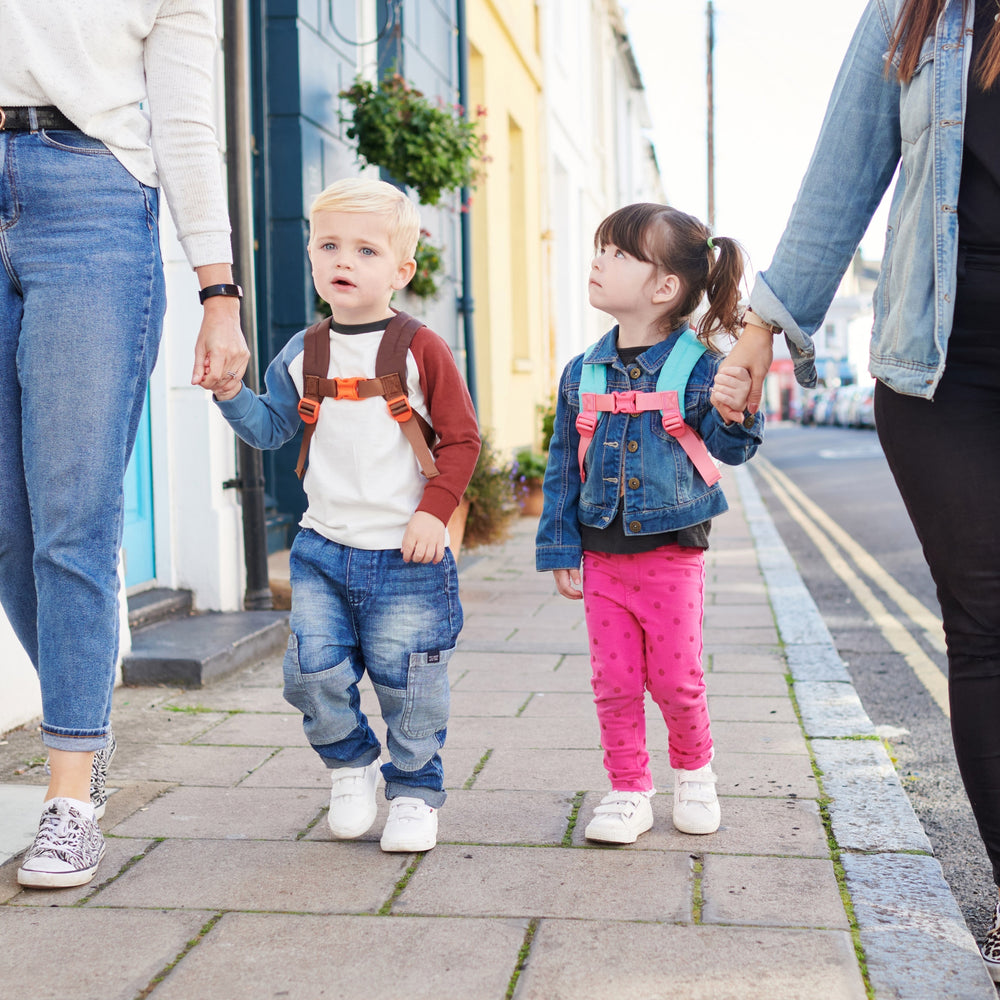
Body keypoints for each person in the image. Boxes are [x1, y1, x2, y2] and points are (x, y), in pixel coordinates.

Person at [714, 0, 1000, 977]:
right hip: (939, 375)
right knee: (987, 626)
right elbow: (840, 181)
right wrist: (756, 338)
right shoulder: (917, 14)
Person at [1, 1, 250, 889]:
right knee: (6, 528)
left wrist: (220, 295)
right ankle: (84, 715)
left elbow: (186, 121)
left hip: (92, 204)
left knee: (71, 516)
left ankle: (69, 793)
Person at [209, 177, 480, 853]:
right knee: (309, 674)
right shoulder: (305, 352)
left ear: (402, 268)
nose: (344, 261)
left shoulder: (422, 349)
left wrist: (434, 512)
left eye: (365, 249)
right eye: (329, 245)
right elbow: (271, 429)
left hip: (406, 553)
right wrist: (229, 393)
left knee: (409, 683)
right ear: (309, 255)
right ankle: (350, 766)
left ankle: (415, 790)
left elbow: (463, 439)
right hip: (322, 548)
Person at [535, 203, 763, 844]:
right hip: (601, 551)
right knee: (613, 681)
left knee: (676, 678)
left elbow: (732, 446)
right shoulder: (583, 372)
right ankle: (629, 789)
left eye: (618, 252)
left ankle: (695, 775)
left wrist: (738, 405)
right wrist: (560, 549)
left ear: (664, 287)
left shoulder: (699, 366)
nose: (598, 259)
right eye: (600, 247)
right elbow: (562, 465)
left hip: (670, 550)